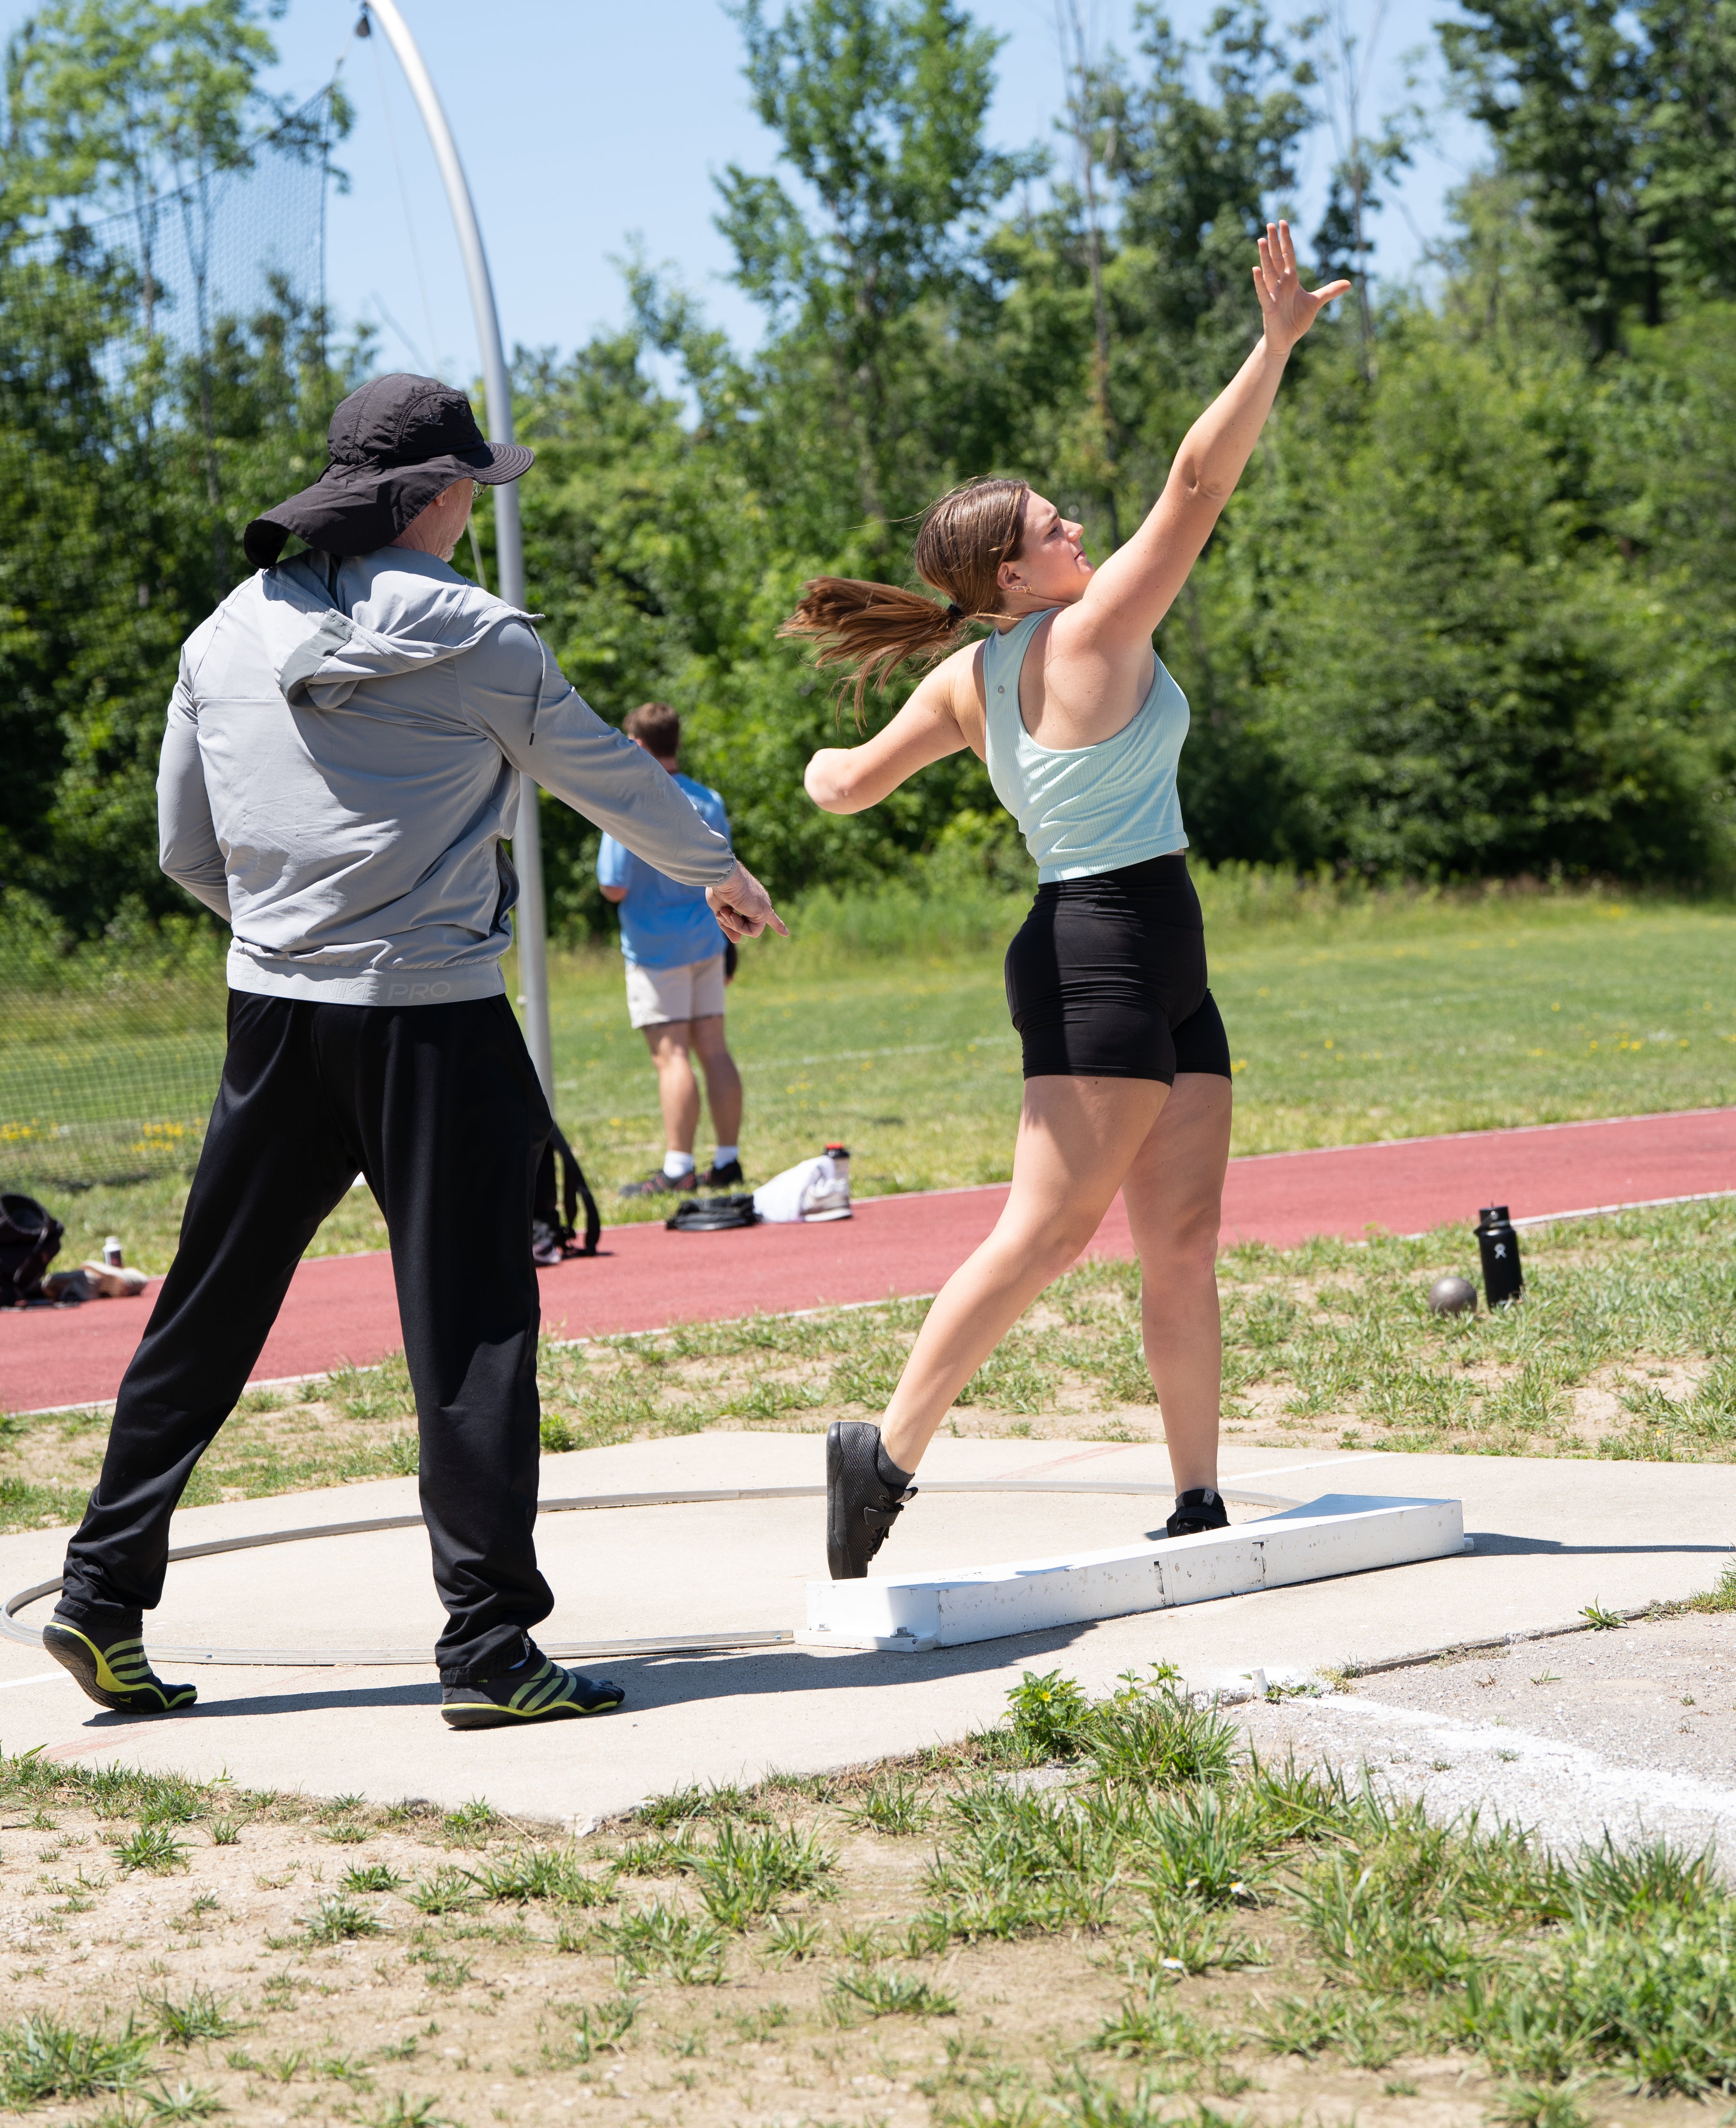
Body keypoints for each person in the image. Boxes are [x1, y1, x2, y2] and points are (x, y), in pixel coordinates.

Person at [45, 374, 783, 1730]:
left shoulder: (221, 635)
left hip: (273, 1009)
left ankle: (98, 1590)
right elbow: (607, 773)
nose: (472, 510)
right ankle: (492, 1645)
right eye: (470, 490)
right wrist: (719, 871)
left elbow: (182, 849)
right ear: (434, 498)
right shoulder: (482, 636)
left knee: (209, 1303)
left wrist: (284, 930)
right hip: (434, 1017)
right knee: (474, 1323)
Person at [782, 224, 1347, 1578]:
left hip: (1160, 945)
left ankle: (1199, 1491)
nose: (1075, 525)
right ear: (1011, 580)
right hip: (1095, 945)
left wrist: (810, 773)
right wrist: (1270, 346)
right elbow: (1199, 478)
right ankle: (885, 1455)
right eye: (1050, 526)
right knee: (1043, 1230)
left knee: (1184, 1237)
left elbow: (846, 787)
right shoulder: (1088, 633)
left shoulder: (967, 680)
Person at [598, 702, 747, 1195]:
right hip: (708, 941)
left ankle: (679, 1167)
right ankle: (727, 1161)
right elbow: (726, 874)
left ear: (638, 746)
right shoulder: (709, 799)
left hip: (654, 949)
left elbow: (612, 885)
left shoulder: (629, 800)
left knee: (672, 1057)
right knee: (715, 1050)